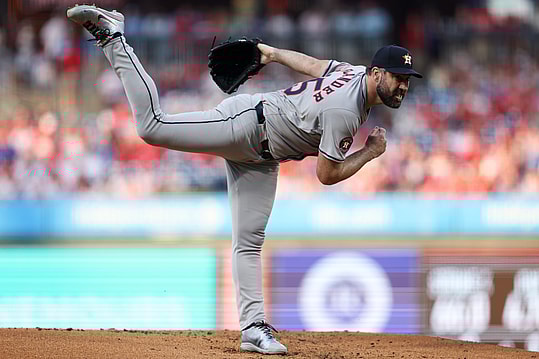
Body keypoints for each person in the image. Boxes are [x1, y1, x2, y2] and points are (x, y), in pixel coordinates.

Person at [66, 4, 422, 355]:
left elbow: (314, 66)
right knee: (152, 126)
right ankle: (114, 36)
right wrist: (370, 152)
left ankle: (252, 329)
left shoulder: (352, 72)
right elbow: (327, 175)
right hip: (245, 126)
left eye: (406, 80)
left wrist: (273, 53)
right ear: (376, 73)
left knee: (249, 242)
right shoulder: (347, 110)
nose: (403, 86)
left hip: (261, 159)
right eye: (397, 77)